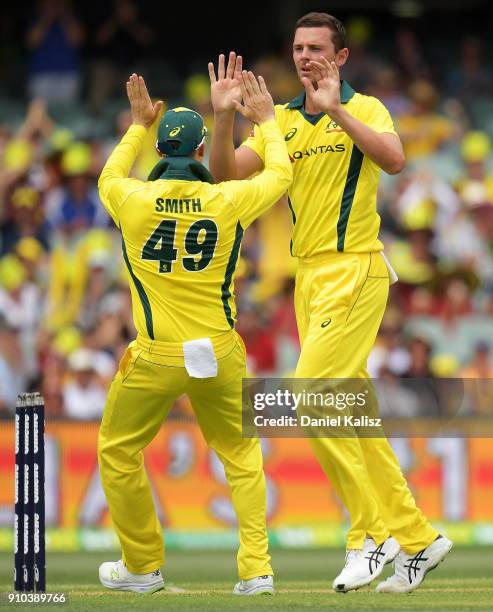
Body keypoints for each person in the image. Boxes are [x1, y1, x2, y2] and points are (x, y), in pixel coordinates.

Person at [208, 12, 452, 594]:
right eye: (297, 47)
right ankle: (418, 538)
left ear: (340, 57)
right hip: (310, 278)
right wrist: (222, 119)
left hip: (357, 266)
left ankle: (370, 535)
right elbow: (223, 178)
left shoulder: (365, 108)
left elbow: (394, 160)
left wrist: (337, 108)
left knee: (311, 392)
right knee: (349, 414)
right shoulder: (281, 121)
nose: (305, 56)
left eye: (317, 47)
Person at [96, 71, 291, 594]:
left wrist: (137, 127)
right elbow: (280, 177)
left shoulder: (130, 199)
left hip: (156, 357)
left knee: (117, 452)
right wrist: (268, 124)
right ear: (203, 149)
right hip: (220, 352)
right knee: (242, 458)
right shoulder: (226, 201)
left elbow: (108, 174)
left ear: (161, 148)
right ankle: (256, 571)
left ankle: (141, 568)